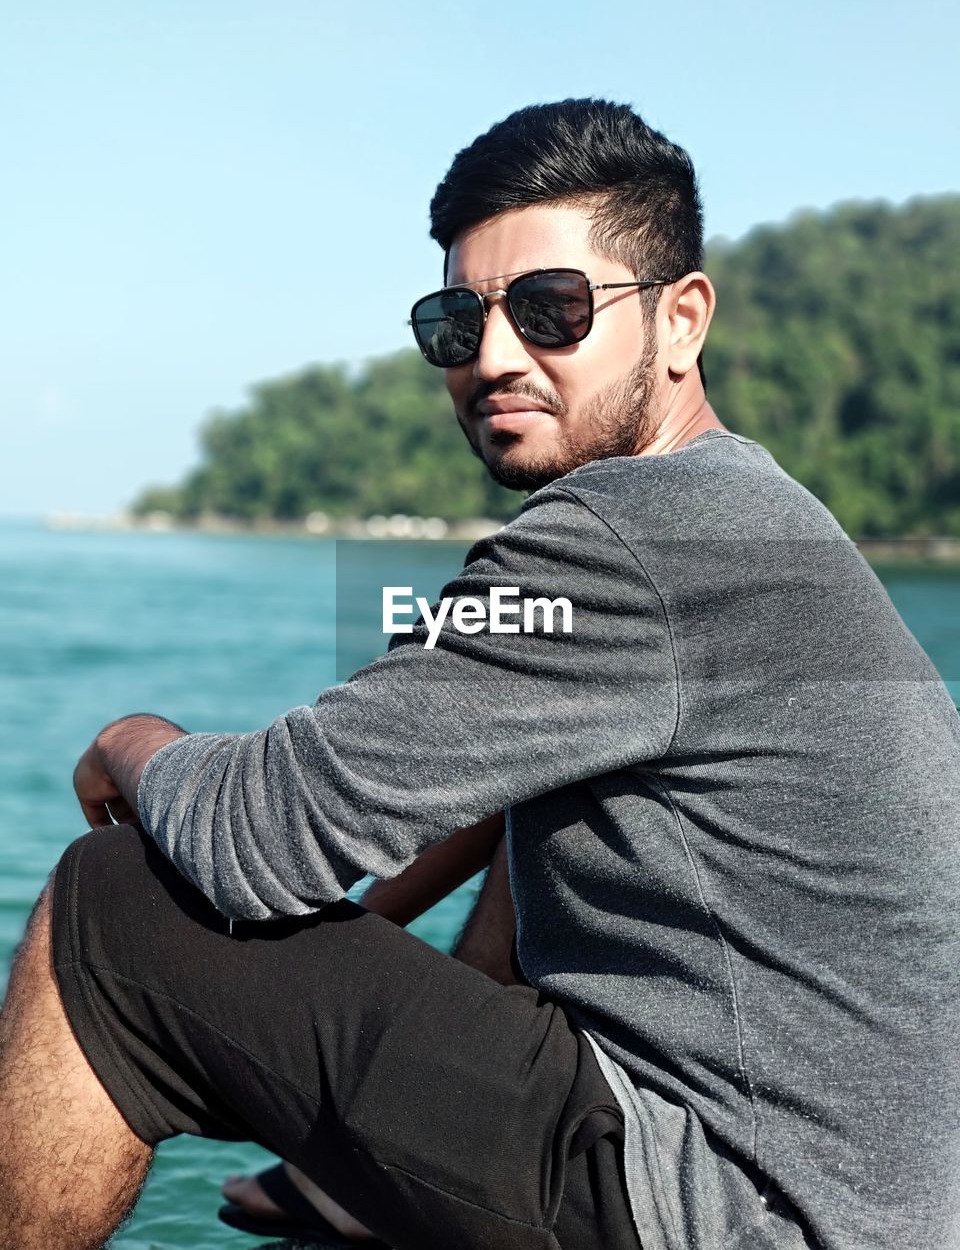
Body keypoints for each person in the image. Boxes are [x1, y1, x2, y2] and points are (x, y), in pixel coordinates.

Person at [1, 97, 959, 1250]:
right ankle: (367, 1188)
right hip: (865, 1194)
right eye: (459, 320)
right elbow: (470, 794)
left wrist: (131, 739)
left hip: (738, 1200)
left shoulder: (625, 534)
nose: (496, 356)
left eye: (552, 309)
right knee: (543, 802)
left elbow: (258, 830)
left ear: (681, 320)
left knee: (114, 905)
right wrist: (333, 982)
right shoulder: (741, 518)